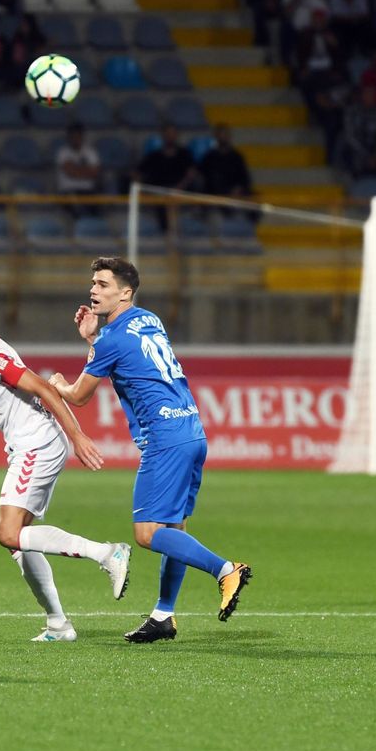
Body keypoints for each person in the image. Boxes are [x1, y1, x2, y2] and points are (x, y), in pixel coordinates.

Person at [47, 258, 252, 642]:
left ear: (125, 292)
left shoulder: (111, 338)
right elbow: (126, 356)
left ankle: (226, 569)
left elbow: (79, 397)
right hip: (191, 431)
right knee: (174, 528)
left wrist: (57, 383)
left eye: (103, 284)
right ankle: (163, 616)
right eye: (93, 283)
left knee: (146, 533)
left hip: (165, 440)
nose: (94, 290)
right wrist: (94, 339)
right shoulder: (149, 319)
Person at [0, 295, 131, 642]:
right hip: (28, 445)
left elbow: (42, 386)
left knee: (7, 533)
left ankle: (107, 553)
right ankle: (58, 625)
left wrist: (76, 435)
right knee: (19, 544)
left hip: (38, 444)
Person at [55, 121, 101, 214]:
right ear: (68, 137)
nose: (75, 139)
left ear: (82, 136)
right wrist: (87, 170)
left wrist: (76, 168)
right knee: (77, 208)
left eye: (77, 136)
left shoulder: (90, 151)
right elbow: (70, 172)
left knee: (97, 206)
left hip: (88, 190)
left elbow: (95, 173)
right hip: (68, 190)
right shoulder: (63, 152)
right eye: (72, 136)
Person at [199, 123, 253, 201]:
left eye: (226, 134)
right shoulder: (209, 157)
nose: (223, 137)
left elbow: (244, 178)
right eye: (221, 134)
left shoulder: (237, 156)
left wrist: (238, 189)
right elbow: (204, 177)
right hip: (214, 194)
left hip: (235, 192)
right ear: (216, 136)